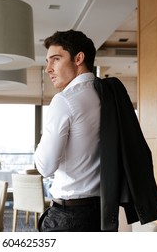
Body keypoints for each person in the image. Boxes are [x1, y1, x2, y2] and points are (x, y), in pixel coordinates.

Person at [34, 29, 101, 231]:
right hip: (101, 213)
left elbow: (45, 167)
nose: (48, 69)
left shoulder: (64, 100)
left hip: (70, 216)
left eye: (55, 59)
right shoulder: (107, 94)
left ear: (79, 58)